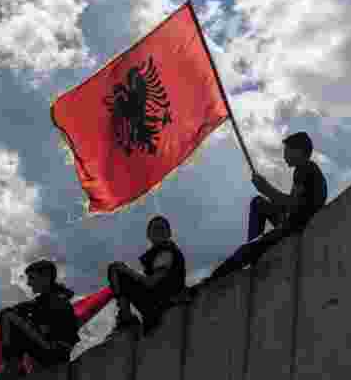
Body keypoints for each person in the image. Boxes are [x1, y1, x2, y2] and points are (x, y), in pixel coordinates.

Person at [207, 131, 327, 283]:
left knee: (245, 251)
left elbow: (292, 204)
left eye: (287, 150)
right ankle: (253, 247)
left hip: (296, 225)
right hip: (294, 219)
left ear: (298, 150)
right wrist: (266, 190)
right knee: (258, 203)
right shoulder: (306, 170)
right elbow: (292, 204)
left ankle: (213, 279)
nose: (285, 155)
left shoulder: (304, 169)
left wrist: (266, 189)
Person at [0, 259, 78, 380]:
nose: (28, 283)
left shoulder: (56, 301)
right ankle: (15, 367)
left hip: (55, 353)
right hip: (52, 350)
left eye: (32, 278)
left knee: (8, 316)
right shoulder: (46, 300)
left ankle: (12, 366)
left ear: (46, 278)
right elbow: (22, 308)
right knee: (9, 317)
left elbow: (16, 312)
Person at [107, 215, 186, 335]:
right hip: (160, 301)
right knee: (118, 269)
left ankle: (126, 318)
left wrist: (127, 271)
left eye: (161, 228)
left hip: (162, 303)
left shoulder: (166, 251)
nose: (158, 231)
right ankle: (126, 318)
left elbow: (151, 283)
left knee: (116, 270)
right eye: (155, 229)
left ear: (169, 233)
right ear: (149, 235)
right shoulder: (160, 252)